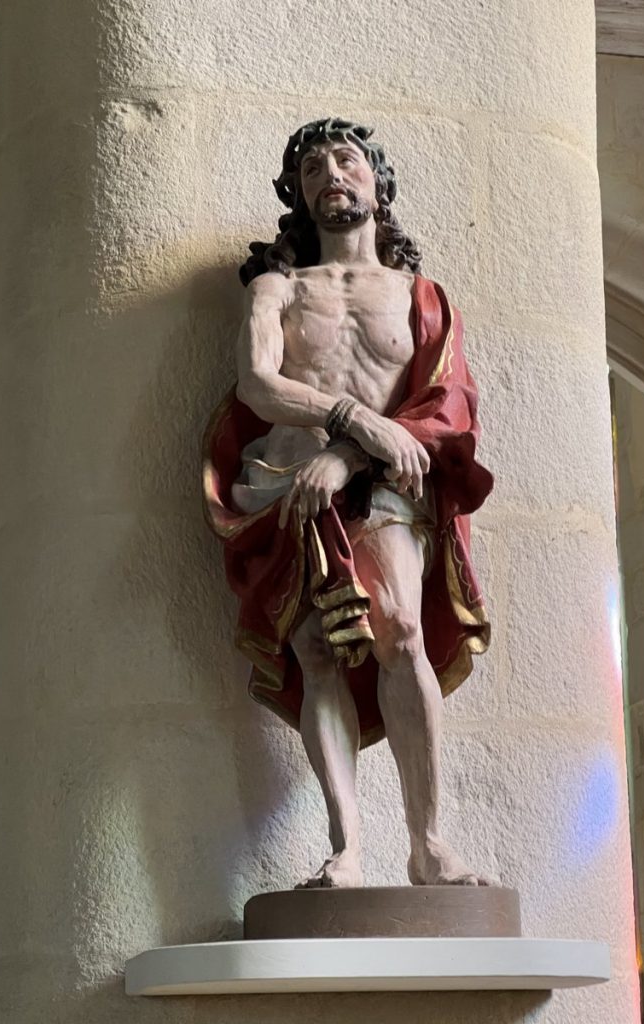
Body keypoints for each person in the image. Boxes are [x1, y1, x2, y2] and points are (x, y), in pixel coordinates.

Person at [204, 118, 495, 888]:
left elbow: (447, 404)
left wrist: (351, 451)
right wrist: (347, 419)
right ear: (299, 198)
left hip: (380, 488)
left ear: (376, 181)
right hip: (288, 485)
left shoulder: (421, 297)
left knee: (401, 630)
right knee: (316, 651)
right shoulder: (279, 288)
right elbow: (257, 383)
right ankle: (347, 847)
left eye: (346, 159)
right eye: (310, 170)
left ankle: (428, 842)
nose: (330, 173)